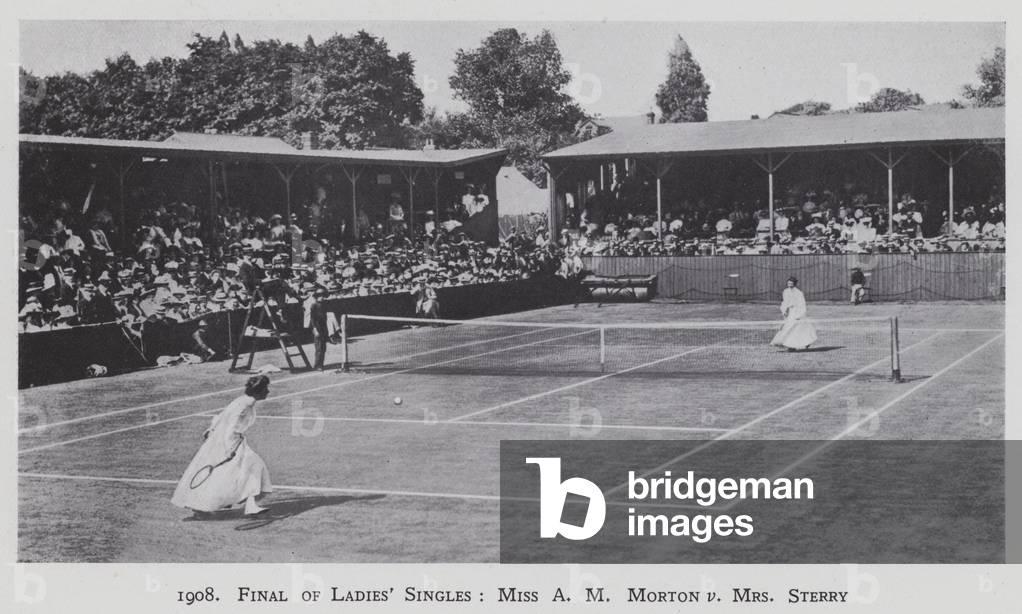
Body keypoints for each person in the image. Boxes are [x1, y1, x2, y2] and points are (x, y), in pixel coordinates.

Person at [171, 375, 273, 517]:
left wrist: (212, 429)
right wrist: (228, 449)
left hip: (229, 441)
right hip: (229, 442)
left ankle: (244, 505)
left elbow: (222, 415)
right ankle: (245, 506)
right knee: (254, 466)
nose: (268, 391)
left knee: (240, 470)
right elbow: (230, 426)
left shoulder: (242, 401)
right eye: (266, 388)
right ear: (258, 391)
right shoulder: (244, 405)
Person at [770, 277, 817, 351]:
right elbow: (785, 302)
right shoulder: (785, 291)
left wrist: (800, 315)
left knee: (798, 328)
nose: (789, 284)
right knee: (787, 328)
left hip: (797, 312)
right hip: (790, 312)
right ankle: (790, 345)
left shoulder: (799, 293)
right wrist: (784, 310)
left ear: (794, 284)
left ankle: (795, 345)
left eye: (791, 283)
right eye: (788, 283)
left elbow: (802, 304)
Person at [306, 287, 329, 369]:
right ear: (316, 297)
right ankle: (317, 365)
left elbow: (324, 318)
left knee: (323, 347)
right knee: (319, 347)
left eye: (323, 296)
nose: (322, 297)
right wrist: (315, 329)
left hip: (323, 327)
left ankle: (321, 364)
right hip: (317, 327)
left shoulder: (323, 305)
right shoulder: (314, 305)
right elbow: (312, 319)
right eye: (320, 296)